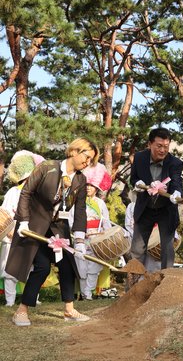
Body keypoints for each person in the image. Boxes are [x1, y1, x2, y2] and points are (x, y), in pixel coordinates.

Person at [6, 138, 99, 326]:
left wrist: (79, 240)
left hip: (58, 229)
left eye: (91, 160)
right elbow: (26, 193)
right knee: (42, 267)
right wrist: (23, 222)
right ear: (74, 151)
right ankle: (21, 311)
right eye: (86, 157)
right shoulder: (47, 167)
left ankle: (69, 310)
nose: (87, 163)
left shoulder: (80, 180)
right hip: (34, 226)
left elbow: (79, 210)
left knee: (67, 265)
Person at [130, 128, 183, 270]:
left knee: (167, 249)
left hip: (166, 209)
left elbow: (177, 182)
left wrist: (177, 193)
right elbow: (133, 178)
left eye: (166, 147)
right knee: (137, 249)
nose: (162, 150)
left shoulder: (175, 163)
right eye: (159, 146)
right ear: (149, 144)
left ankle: (167, 287)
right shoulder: (139, 158)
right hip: (145, 208)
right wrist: (139, 184)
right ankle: (133, 287)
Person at [0, 151, 44, 306]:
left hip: (30, 236)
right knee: (9, 271)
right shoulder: (12, 192)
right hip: (12, 236)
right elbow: (4, 214)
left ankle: (33, 298)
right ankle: (10, 301)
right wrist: (9, 231)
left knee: (32, 269)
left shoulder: (37, 194)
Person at [70, 163, 112, 300]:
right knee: (81, 268)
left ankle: (88, 294)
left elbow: (106, 222)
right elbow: (71, 219)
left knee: (93, 269)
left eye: (91, 185)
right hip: (80, 239)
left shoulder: (100, 203)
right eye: (86, 185)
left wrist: (107, 236)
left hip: (96, 240)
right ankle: (83, 293)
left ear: (96, 187)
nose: (88, 188)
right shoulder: (75, 201)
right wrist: (78, 232)